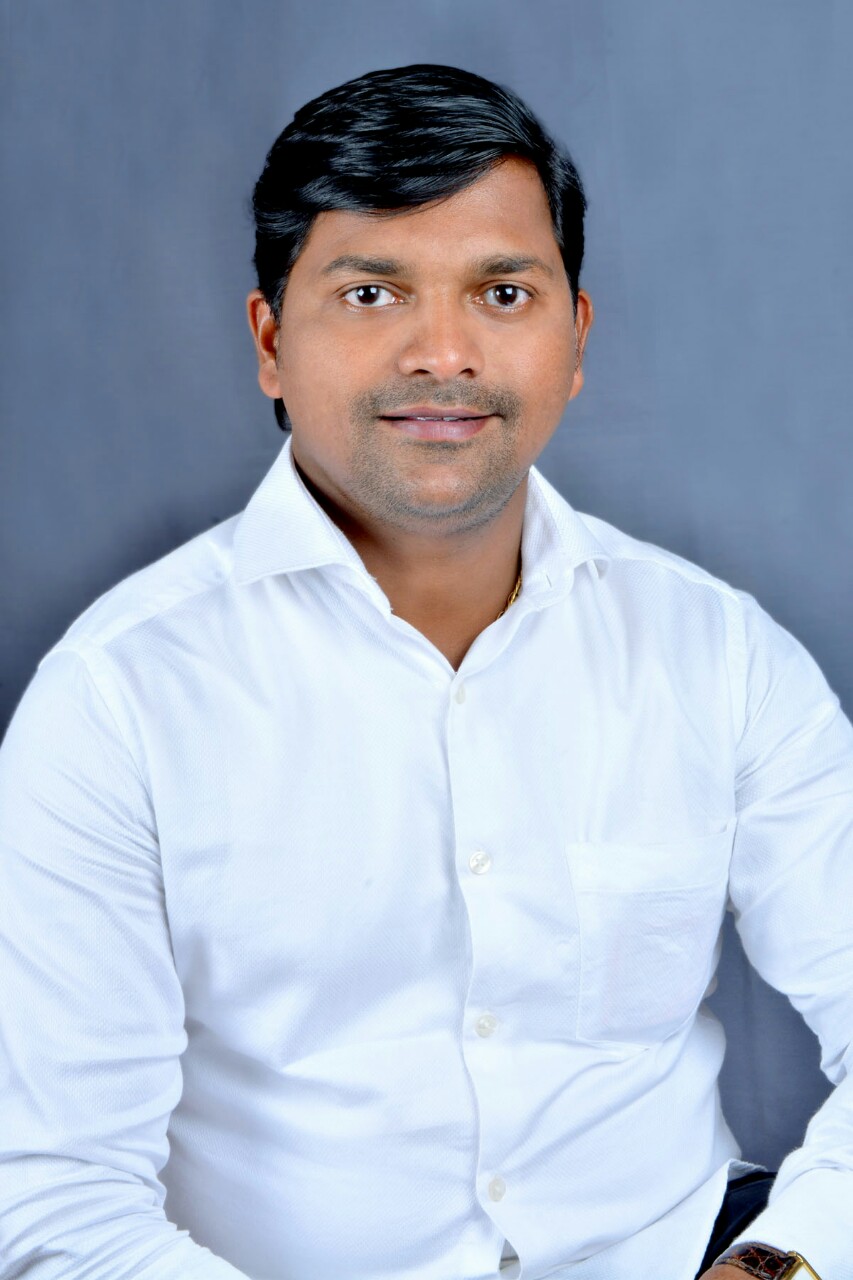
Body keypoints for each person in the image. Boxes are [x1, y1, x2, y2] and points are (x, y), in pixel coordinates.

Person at [0, 62, 850, 1280]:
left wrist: (781, 1264)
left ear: (575, 339)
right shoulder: (117, 698)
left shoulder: (718, 654)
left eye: (502, 292)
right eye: (371, 292)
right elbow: (58, 1203)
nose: (444, 351)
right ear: (270, 341)